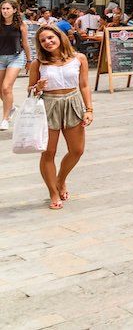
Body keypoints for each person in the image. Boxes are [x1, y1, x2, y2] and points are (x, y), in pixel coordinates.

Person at [27, 25, 94, 210]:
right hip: (49, 105)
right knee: (48, 153)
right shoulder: (38, 63)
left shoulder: (78, 58)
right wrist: (38, 87)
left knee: (77, 150)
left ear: (59, 37)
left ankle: (61, 180)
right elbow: (30, 90)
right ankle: (53, 192)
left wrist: (89, 109)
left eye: (50, 37)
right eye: (43, 40)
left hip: (73, 103)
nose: (48, 42)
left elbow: (85, 85)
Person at [0, 1, 34, 131]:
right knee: (0, 90)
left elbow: (25, 43)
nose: (5, 11)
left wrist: (29, 60)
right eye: (3, 8)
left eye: (8, 8)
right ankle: (12, 107)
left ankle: (5, 119)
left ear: (14, 10)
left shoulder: (20, 25)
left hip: (16, 57)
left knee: (6, 88)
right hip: (0, 58)